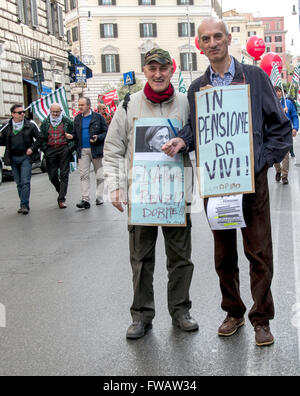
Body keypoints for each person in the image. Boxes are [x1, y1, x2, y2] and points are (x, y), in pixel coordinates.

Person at [163, 18, 292, 347]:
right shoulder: (197, 89)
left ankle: (261, 319)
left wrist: (261, 162)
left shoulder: (255, 78)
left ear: (229, 38)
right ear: (200, 45)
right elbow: (195, 130)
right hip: (217, 184)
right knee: (224, 256)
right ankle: (233, 312)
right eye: (206, 38)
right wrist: (181, 141)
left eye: (217, 36)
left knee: (259, 253)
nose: (212, 42)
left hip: (251, 184)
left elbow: (280, 126)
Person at [103, 48, 198, 340]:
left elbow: (197, 136)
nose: (158, 74)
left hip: (175, 196)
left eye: (163, 68)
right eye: (152, 68)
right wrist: (115, 184)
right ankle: (141, 316)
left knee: (180, 259)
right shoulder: (129, 104)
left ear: (172, 70)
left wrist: (184, 142)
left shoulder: (185, 103)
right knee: (141, 260)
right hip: (142, 196)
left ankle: (180, 311)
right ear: (145, 70)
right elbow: (113, 148)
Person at [0, 104, 43, 214]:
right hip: (13, 157)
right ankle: (23, 202)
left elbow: (40, 138)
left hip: (25, 157)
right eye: (19, 113)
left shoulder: (30, 125)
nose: (22, 114)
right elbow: (2, 140)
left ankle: (24, 205)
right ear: (13, 114)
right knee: (18, 183)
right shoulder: (7, 127)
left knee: (25, 181)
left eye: (23, 112)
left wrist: (32, 148)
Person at [72, 97, 108, 209]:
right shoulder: (77, 119)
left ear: (88, 106)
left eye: (82, 105)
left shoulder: (98, 117)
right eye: (79, 105)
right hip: (82, 150)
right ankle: (85, 199)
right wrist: (71, 136)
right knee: (83, 175)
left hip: (96, 150)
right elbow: (74, 134)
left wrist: (98, 137)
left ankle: (99, 197)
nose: (80, 107)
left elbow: (106, 132)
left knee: (99, 175)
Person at [40, 103, 75, 208]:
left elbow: (74, 136)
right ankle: (60, 190)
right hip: (50, 150)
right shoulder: (45, 123)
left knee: (64, 175)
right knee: (52, 175)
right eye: (53, 112)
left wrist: (70, 148)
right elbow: (41, 138)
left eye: (57, 112)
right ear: (50, 112)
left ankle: (61, 199)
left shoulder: (67, 122)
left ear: (61, 111)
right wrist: (45, 149)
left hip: (64, 149)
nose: (55, 114)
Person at [274, 86, 299, 184]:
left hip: (286, 132)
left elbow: (294, 116)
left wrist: (295, 128)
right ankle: (278, 170)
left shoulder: (288, 103)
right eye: (275, 91)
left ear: (281, 92)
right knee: (275, 154)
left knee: (285, 155)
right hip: (274, 133)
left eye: (279, 91)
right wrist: (281, 111)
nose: (277, 93)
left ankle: (284, 175)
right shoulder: (271, 103)